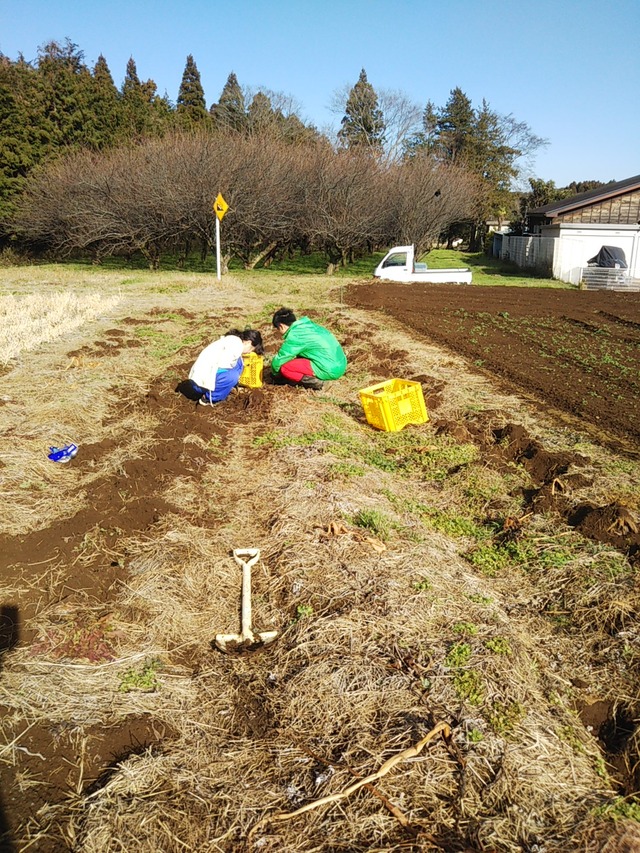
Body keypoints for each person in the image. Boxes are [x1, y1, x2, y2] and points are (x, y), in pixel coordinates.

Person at [270, 308, 347, 390]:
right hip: (340, 364)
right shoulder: (308, 326)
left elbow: (281, 359)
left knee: (285, 368)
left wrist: (275, 375)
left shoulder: (296, 335)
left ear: (281, 326)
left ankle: (320, 384)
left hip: (330, 369)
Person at [188, 328, 264, 405]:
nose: (249, 352)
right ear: (248, 343)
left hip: (199, 378)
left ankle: (223, 389)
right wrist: (234, 379)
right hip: (200, 384)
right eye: (251, 350)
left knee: (239, 364)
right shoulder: (237, 346)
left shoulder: (233, 340)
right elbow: (224, 367)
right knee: (232, 376)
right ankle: (208, 398)